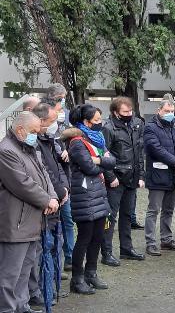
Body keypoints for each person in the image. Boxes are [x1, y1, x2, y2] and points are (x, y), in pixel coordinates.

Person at [0, 111, 59, 313]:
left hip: (32, 221)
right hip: (15, 223)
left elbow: (45, 175)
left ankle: (22, 306)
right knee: (9, 275)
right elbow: (22, 184)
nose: (37, 135)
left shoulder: (29, 149)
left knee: (26, 271)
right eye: (33, 131)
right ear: (19, 130)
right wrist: (46, 200)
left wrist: (52, 196)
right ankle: (7, 309)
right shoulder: (6, 151)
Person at [62, 104, 116, 294]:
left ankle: (91, 274)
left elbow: (112, 160)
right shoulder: (77, 142)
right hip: (84, 196)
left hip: (98, 194)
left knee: (98, 237)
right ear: (86, 122)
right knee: (84, 238)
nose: (100, 124)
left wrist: (99, 160)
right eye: (96, 121)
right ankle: (77, 279)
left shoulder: (97, 140)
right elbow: (89, 168)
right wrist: (102, 162)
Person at [27, 103, 70, 309]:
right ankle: (36, 292)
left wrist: (64, 189)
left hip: (55, 202)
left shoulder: (50, 140)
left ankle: (48, 287)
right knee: (38, 253)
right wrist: (55, 194)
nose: (56, 125)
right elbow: (42, 173)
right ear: (41, 121)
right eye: (53, 122)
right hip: (43, 207)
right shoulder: (34, 143)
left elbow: (58, 169)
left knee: (52, 248)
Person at [100, 97, 146, 267]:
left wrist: (141, 175)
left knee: (127, 215)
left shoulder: (137, 124)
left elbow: (139, 152)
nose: (129, 114)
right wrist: (111, 177)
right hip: (116, 178)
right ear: (115, 112)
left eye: (130, 111)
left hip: (131, 178)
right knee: (110, 217)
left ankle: (126, 248)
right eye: (125, 112)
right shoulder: (108, 127)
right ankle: (106, 252)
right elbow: (104, 154)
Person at [143, 99, 175, 256]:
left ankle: (166, 240)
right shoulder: (150, 127)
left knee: (168, 210)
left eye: (172, 111)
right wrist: (174, 161)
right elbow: (155, 148)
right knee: (153, 210)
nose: (169, 114)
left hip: (173, 175)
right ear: (159, 111)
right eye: (166, 111)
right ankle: (150, 243)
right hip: (157, 176)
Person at [45, 84, 75, 271]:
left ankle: (69, 257)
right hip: (51, 178)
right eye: (61, 97)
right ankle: (56, 263)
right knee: (55, 225)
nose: (63, 100)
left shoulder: (67, 113)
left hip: (65, 173)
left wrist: (68, 150)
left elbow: (72, 134)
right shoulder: (43, 113)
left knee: (68, 220)